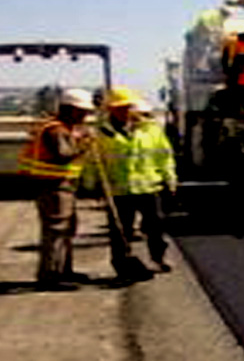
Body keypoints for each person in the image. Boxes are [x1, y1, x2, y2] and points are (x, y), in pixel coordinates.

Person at [95, 88, 178, 277]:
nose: (123, 111)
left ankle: (159, 257)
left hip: (148, 187)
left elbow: (164, 156)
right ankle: (122, 264)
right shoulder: (102, 133)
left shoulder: (151, 130)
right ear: (110, 109)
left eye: (126, 107)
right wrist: (93, 186)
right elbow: (94, 162)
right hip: (119, 190)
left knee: (156, 225)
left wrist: (170, 179)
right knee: (120, 230)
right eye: (118, 108)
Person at [17, 88, 94, 290]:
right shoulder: (56, 130)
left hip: (62, 187)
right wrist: (84, 144)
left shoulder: (64, 128)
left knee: (67, 231)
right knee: (56, 233)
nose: (86, 116)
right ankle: (50, 276)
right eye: (82, 111)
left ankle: (64, 271)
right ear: (70, 109)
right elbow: (63, 155)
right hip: (53, 188)